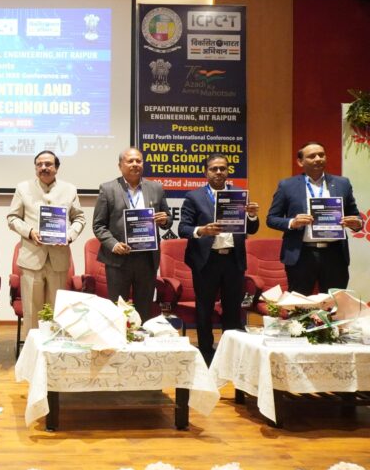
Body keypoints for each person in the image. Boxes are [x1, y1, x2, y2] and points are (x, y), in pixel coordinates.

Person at [179, 153, 259, 364]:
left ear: (228, 171)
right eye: (214, 168)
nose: (218, 172)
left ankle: (230, 355)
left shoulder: (239, 195)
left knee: (232, 309)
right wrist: (202, 230)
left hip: (233, 260)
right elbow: (183, 228)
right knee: (204, 308)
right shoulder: (194, 197)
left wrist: (252, 215)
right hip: (207, 261)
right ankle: (206, 354)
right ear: (205, 172)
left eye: (222, 168)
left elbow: (252, 228)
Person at [266, 142, 363, 294]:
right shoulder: (287, 186)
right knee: (300, 303)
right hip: (301, 255)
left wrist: (357, 224)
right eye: (312, 156)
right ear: (300, 162)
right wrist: (292, 222)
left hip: (335, 255)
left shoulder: (342, 183)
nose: (318, 159)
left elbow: (356, 216)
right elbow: (271, 219)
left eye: (321, 155)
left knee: (334, 303)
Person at [7, 150, 86, 338]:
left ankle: (55, 350)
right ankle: (32, 350)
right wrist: (29, 232)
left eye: (48, 164)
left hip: (59, 258)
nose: (43, 167)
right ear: (35, 168)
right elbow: (12, 218)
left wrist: (69, 235)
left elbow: (79, 218)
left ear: (56, 168)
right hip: (31, 258)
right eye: (39, 164)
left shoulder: (69, 189)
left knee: (57, 310)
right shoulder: (23, 188)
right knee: (32, 312)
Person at [92, 147, 172, 321]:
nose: (135, 164)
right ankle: (119, 338)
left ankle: (141, 338)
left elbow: (168, 219)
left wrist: (165, 220)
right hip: (118, 259)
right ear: (120, 165)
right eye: (130, 161)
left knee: (144, 309)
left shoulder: (156, 188)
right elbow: (98, 226)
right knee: (118, 309)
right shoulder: (108, 189)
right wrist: (114, 244)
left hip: (147, 259)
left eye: (138, 161)